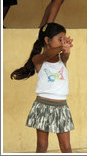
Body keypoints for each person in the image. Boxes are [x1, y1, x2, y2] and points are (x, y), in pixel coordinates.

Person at [10, 23, 74, 153]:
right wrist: (63, 47)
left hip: (61, 107)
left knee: (66, 147)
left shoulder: (63, 59)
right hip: (42, 106)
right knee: (42, 145)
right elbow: (48, 54)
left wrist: (66, 49)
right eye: (59, 39)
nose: (63, 42)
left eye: (64, 39)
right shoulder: (38, 59)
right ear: (47, 40)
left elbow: (65, 54)